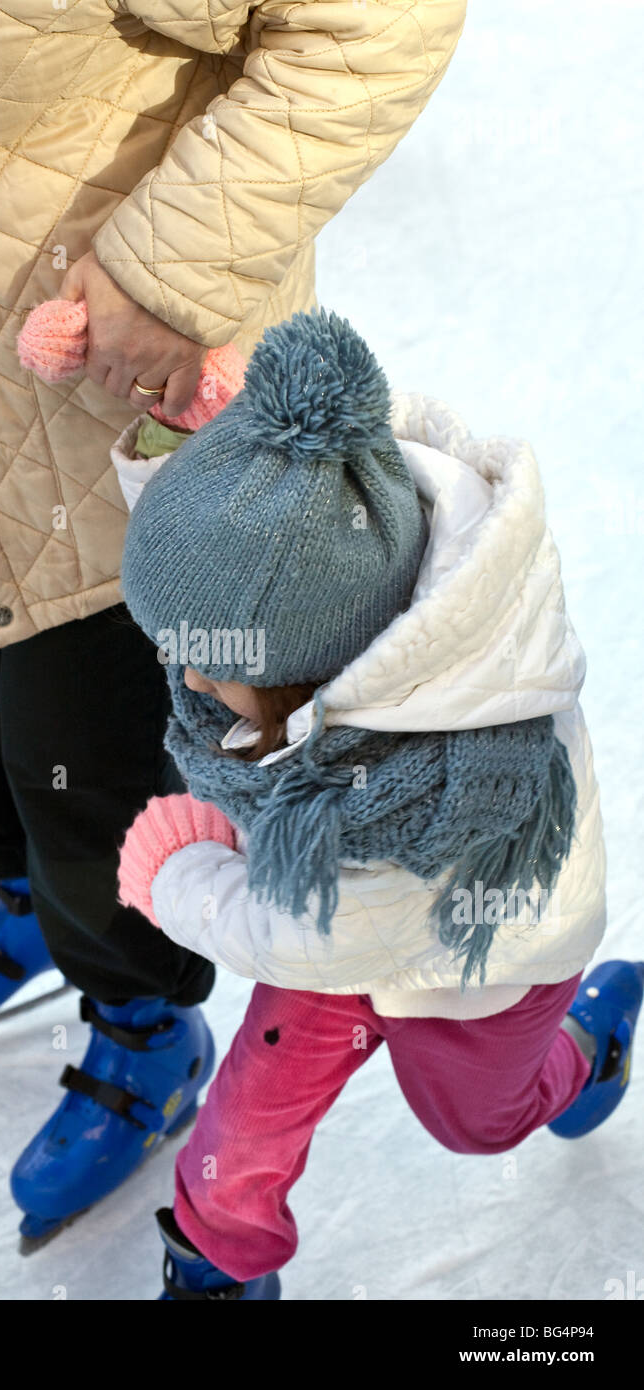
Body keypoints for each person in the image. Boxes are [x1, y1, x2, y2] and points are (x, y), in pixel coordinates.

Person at [0, 0, 467, 1246]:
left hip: (101, 383)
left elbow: (376, 21)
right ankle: (31, 897)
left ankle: (142, 1012)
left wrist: (164, 271)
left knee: (84, 767)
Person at [115, 307, 644, 1299]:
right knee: (249, 1114)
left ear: (304, 675)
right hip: (334, 920)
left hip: (478, 955)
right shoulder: (341, 559)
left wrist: (181, 875)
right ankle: (213, 1259)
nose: (186, 671)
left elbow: (299, 934)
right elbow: (234, 567)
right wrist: (209, 447)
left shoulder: (417, 789)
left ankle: (587, 1038)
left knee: (475, 1121)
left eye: (210, 660)